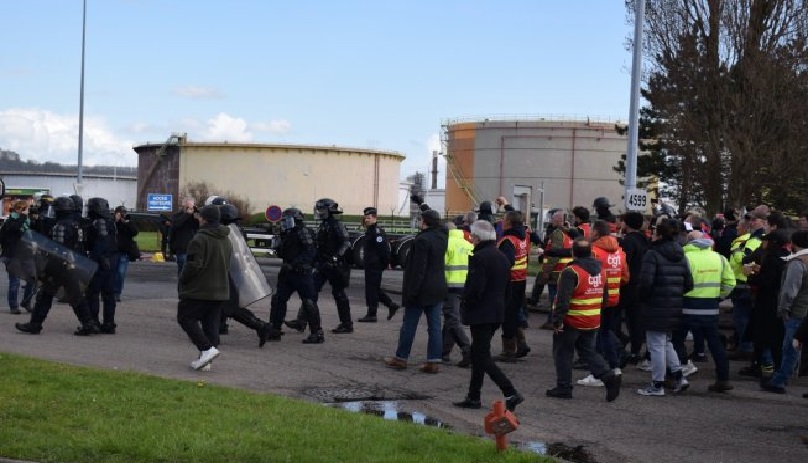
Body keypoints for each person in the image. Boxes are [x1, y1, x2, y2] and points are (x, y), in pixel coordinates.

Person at [452, 220, 525, 411]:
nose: (471, 239)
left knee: (481, 356)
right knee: (478, 354)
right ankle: (473, 396)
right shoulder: (501, 256)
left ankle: (510, 391)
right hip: (496, 311)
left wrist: (466, 301)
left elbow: (476, 288)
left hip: (481, 312)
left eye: (472, 237)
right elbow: (507, 289)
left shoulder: (479, 258)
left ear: (477, 238)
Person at [545, 239, 622, 401]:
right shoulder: (601, 269)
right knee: (588, 352)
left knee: (563, 353)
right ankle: (608, 376)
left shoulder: (571, 271)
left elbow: (562, 300)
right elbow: (605, 297)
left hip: (572, 320)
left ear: (573, 253)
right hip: (592, 319)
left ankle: (564, 386)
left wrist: (557, 320)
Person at [15, 196, 100, 336]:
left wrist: (45, 264)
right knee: (75, 296)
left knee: (45, 295)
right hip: (73, 264)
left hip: (59, 266)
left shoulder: (60, 226)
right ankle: (88, 323)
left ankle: (35, 324)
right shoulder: (76, 224)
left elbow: (57, 248)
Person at [384, 209, 448, 373]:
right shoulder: (442, 237)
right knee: (434, 326)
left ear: (425, 222)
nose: (419, 222)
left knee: (409, 325)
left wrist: (412, 292)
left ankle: (401, 358)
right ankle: (433, 361)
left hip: (422, 289)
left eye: (420, 220)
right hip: (438, 286)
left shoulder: (422, 240)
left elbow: (419, 269)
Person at [636, 218, 694, 396]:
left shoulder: (652, 254)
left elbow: (646, 282)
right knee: (666, 342)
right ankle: (678, 375)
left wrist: (643, 298)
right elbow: (689, 283)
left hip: (655, 304)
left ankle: (657, 383)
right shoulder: (681, 254)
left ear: (658, 234)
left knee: (656, 345)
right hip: (673, 304)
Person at [675, 231, 736, 392]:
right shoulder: (719, 258)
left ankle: (676, 374)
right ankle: (723, 379)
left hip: (687, 306)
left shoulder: (685, 258)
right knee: (715, 344)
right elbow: (730, 282)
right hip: (710, 308)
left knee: (676, 341)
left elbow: (678, 282)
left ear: (689, 242)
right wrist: (719, 297)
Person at [177, 205, 231, 371]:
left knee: (185, 318)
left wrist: (183, 280)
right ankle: (206, 359)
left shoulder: (199, 239)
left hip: (200, 289)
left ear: (204, 219)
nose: (198, 219)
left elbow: (193, 265)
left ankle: (206, 349)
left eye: (200, 216)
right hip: (220, 289)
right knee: (211, 324)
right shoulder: (226, 239)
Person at [217, 203, 278, 347]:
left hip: (231, 275)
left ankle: (261, 326)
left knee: (229, 307)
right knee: (224, 306)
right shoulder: (236, 231)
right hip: (233, 273)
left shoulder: (228, 232)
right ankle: (216, 330)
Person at [577, 220, 629, 387]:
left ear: (597, 233)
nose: (589, 233)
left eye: (592, 230)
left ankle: (599, 373)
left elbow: (587, 275)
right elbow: (626, 277)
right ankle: (614, 367)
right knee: (605, 333)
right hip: (614, 298)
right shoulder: (619, 252)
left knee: (597, 337)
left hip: (596, 298)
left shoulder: (594, 252)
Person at [761, 230, 807, 394]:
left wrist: (783, 309)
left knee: (790, 347)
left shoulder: (797, 263)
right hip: (805, 309)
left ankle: (780, 380)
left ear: (794, 244)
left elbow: (789, 291)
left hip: (797, 311)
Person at [271, 207, 323, 344]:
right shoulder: (288, 233)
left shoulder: (303, 231)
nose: (284, 222)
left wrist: (295, 263)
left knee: (309, 302)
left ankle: (317, 333)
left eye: (287, 220)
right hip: (287, 272)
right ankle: (274, 330)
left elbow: (310, 253)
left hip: (301, 273)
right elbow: (284, 252)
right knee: (278, 300)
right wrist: (278, 245)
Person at [496, 210, 533, 361]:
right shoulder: (522, 236)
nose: (502, 222)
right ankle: (521, 343)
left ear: (509, 222)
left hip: (510, 281)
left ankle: (509, 350)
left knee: (508, 316)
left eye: (504, 219)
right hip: (521, 279)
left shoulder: (508, 240)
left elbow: (507, 261)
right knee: (515, 312)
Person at [312, 198, 353, 334]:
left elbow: (346, 243)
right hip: (323, 264)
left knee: (339, 294)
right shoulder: (323, 225)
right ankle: (302, 321)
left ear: (328, 210)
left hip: (335, 265)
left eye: (321, 209)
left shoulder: (337, 224)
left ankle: (347, 324)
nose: (319, 212)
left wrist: (335, 257)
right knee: (311, 291)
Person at [618, 211, 650, 366]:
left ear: (627, 224)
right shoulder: (646, 240)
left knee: (616, 316)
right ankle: (635, 350)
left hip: (628, 284)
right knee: (635, 319)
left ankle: (620, 342)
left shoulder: (628, 242)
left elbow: (624, 263)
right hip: (642, 284)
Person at [357, 207, 400, 323]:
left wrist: (386, 263)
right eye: (365, 218)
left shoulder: (377, 232)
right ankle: (391, 305)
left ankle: (372, 314)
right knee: (374, 289)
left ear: (374, 218)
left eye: (368, 218)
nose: (366, 220)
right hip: (370, 265)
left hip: (375, 265)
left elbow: (383, 250)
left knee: (372, 289)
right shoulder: (370, 230)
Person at [84, 198, 120, 334]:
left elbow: (102, 242)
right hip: (111, 259)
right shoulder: (110, 222)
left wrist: (93, 258)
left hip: (102, 261)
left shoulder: (99, 222)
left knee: (93, 293)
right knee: (108, 294)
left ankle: (94, 321)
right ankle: (109, 323)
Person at [441, 221, 473, 367]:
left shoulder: (447, 244)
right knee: (451, 319)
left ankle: (467, 349)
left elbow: (440, 266)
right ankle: (443, 352)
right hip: (465, 287)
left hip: (451, 286)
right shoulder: (467, 244)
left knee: (452, 320)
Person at [539, 211, 573, 329]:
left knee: (554, 298)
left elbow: (554, 255)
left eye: (553, 219)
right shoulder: (570, 233)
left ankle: (552, 321)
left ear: (559, 220)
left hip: (556, 272)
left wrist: (546, 272)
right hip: (566, 271)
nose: (551, 221)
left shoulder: (558, 234)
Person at [1, 200, 36, 314]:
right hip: (15, 254)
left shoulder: (21, 221)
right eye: (26, 209)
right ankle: (15, 305)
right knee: (16, 281)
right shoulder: (15, 221)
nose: (27, 211)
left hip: (21, 254)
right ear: (20, 209)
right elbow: (18, 230)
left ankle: (22, 303)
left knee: (29, 279)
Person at [113, 206, 138, 302]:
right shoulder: (113, 222)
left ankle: (117, 292)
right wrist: (116, 221)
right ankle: (110, 292)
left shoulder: (128, 222)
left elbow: (134, 232)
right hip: (114, 251)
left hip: (124, 252)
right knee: (112, 273)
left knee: (120, 273)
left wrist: (123, 222)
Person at [170, 197, 199, 274]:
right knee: (183, 271)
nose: (190, 208)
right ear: (183, 206)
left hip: (194, 248)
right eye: (187, 206)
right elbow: (176, 225)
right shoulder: (177, 216)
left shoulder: (195, 217)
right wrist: (186, 215)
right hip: (182, 248)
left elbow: (199, 227)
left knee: (194, 273)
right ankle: (181, 285)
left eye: (191, 207)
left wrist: (196, 216)